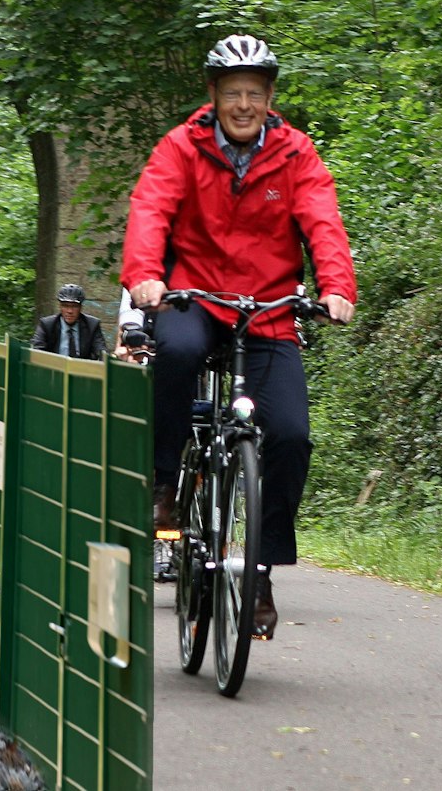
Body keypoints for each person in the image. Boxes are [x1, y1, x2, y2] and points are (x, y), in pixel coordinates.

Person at [123, 33, 356, 639]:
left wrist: (335, 286)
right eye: (233, 93)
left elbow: (322, 220)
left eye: (255, 92)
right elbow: (151, 208)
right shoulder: (182, 146)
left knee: (290, 434)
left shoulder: (295, 153)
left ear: (270, 96)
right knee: (173, 350)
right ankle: (165, 479)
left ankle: (261, 569)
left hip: (269, 306)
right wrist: (146, 275)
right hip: (194, 294)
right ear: (214, 95)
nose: (244, 104)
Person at [32, 283, 105, 359]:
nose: (70, 311)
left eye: (74, 306)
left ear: (80, 307)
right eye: (65, 306)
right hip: (53, 368)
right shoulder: (47, 325)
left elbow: (101, 352)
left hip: (82, 368)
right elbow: (37, 351)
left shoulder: (92, 325)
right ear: (60, 306)